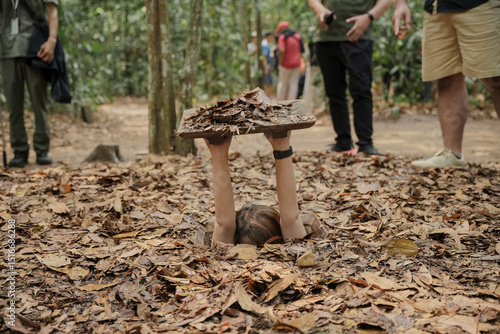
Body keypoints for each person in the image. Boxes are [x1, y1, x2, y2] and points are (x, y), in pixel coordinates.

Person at [393, 0, 500, 168]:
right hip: (437, 8)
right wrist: (401, 3)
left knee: (495, 77)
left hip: (481, 5)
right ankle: (452, 155)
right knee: (446, 76)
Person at [308, 0, 393, 156]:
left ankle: (365, 143)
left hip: (359, 38)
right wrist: (320, 9)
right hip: (327, 39)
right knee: (334, 93)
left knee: (361, 90)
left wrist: (368, 17)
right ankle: (343, 142)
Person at [205, 131, 306, 245]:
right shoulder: (294, 250)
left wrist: (217, 151)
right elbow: (291, 219)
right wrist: (281, 144)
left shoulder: (228, 257)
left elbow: (224, 225)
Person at [0, 0, 59, 167]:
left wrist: (52, 41)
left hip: (35, 47)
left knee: (38, 101)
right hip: (7, 48)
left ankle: (42, 149)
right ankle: (19, 150)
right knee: (13, 104)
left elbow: (52, 10)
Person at [275, 21, 303, 101]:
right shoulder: (297, 36)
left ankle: (280, 102)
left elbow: (282, 50)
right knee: (293, 83)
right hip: (296, 64)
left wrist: (280, 63)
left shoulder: (282, 37)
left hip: (285, 64)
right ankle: (292, 102)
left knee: (282, 83)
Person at [261, 31, 274, 96]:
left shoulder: (265, 44)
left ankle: (267, 96)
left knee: (269, 82)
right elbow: (264, 56)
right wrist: (266, 68)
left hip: (268, 65)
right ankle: (267, 96)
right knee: (268, 83)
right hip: (267, 65)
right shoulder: (265, 45)